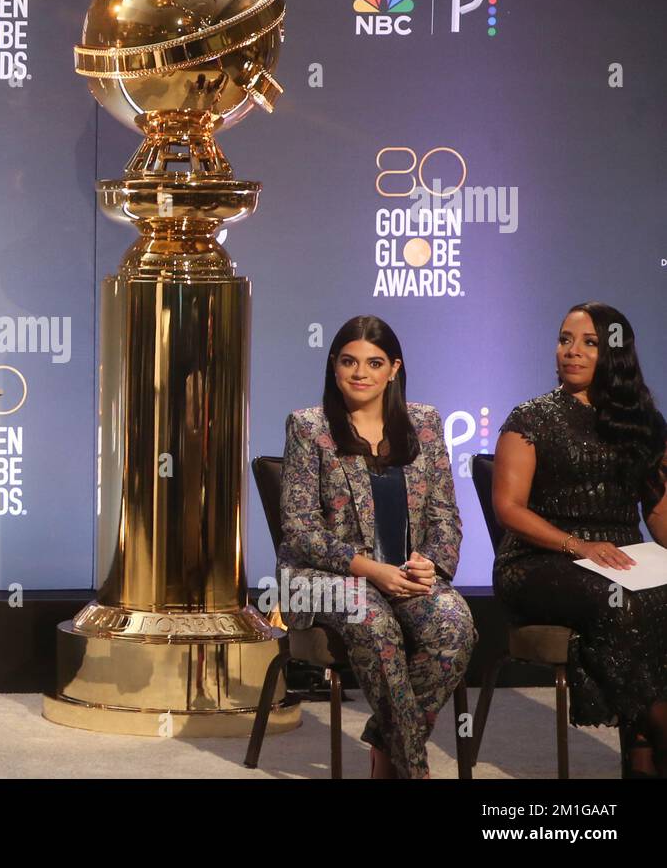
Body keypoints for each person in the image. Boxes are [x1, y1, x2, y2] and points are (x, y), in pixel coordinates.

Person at [279, 315, 475, 778]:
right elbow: (300, 530)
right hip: (321, 580)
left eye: (373, 362)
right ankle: (414, 770)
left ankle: (385, 748)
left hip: (404, 574)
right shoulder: (309, 427)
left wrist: (431, 565)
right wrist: (370, 569)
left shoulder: (424, 423)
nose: (360, 373)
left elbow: (445, 516)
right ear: (334, 366)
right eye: (348, 361)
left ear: (394, 369)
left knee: (455, 626)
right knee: (373, 621)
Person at [493, 302, 667, 776]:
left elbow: (657, 513)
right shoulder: (531, 419)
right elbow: (509, 508)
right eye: (565, 340)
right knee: (621, 604)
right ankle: (659, 732)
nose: (572, 352)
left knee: (655, 599)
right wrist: (579, 546)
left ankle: (643, 755)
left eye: (588, 343)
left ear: (615, 354)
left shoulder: (643, 424)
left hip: (625, 558)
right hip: (538, 561)